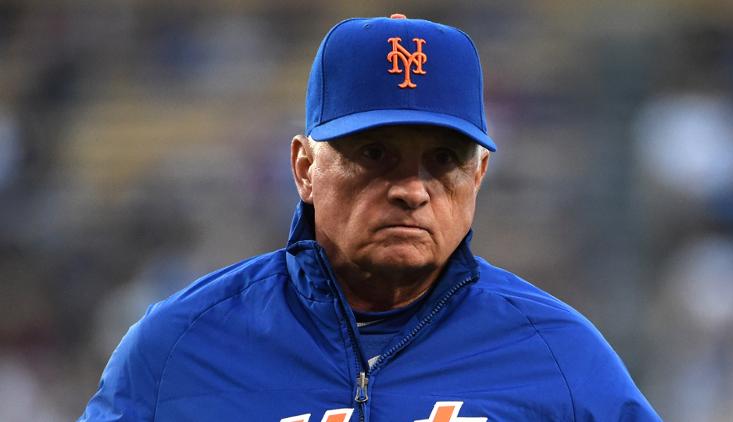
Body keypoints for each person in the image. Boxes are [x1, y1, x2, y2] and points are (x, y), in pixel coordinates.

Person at [79, 14, 660, 421]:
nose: (411, 189)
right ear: (305, 168)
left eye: (443, 160)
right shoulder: (178, 348)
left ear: (478, 175)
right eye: (375, 154)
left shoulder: (560, 358)